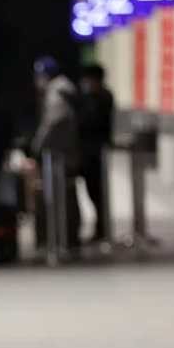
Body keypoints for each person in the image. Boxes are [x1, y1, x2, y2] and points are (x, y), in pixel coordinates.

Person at [29, 56, 82, 252]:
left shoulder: (56, 94)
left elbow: (53, 121)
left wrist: (38, 146)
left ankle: (62, 239)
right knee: (67, 195)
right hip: (66, 154)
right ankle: (67, 238)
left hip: (59, 157)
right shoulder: (65, 91)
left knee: (61, 198)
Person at [77, 63, 114, 243]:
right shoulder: (98, 97)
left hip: (94, 152)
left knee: (96, 193)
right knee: (94, 193)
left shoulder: (100, 98)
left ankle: (102, 230)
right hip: (92, 150)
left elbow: (88, 122)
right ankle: (100, 229)